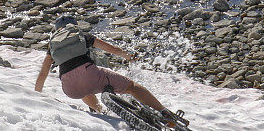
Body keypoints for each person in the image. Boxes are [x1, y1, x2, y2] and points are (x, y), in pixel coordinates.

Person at [34, 15, 169, 117]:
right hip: (92, 76)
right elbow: (114, 50)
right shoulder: (82, 36)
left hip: (71, 89)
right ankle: (163, 112)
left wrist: (36, 96)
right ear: (74, 26)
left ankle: (102, 112)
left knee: (83, 87)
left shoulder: (52, 46)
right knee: (131, 87)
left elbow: (43, 73)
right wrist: (129, 57)